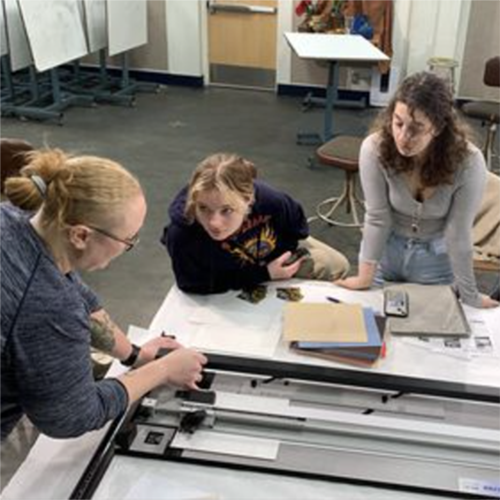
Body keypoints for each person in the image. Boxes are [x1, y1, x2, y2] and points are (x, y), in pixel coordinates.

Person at [0, 148, 207, 451]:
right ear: (81, 236)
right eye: (128, 240)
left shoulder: (14, 218)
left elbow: (73, 292)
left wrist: (136, 356)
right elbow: (71, 416)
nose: (128, 247)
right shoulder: (46, 304)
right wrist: (162, 370)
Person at [336, 71, 498, 308]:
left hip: (435, 259)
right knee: (373, 325)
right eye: (398, 123)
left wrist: (470, 295)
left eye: (417, 128)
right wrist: (364, 278)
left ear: (439, 128)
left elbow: (458, 232)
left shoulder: (469, 161)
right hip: (386, 253)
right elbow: (377, 218)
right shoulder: (374, 148)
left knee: (433, 332)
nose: (403, 137)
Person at [161, 153, 350, 294]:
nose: (214, 223)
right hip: (229, 275)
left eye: (226, 210)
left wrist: (280, 261)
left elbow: (296, 230)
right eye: (203, 208)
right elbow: (193, 284)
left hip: (271, 257)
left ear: (248, 200)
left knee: (339, 265)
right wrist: (263, 274)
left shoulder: (272, 201)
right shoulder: (182, 234)